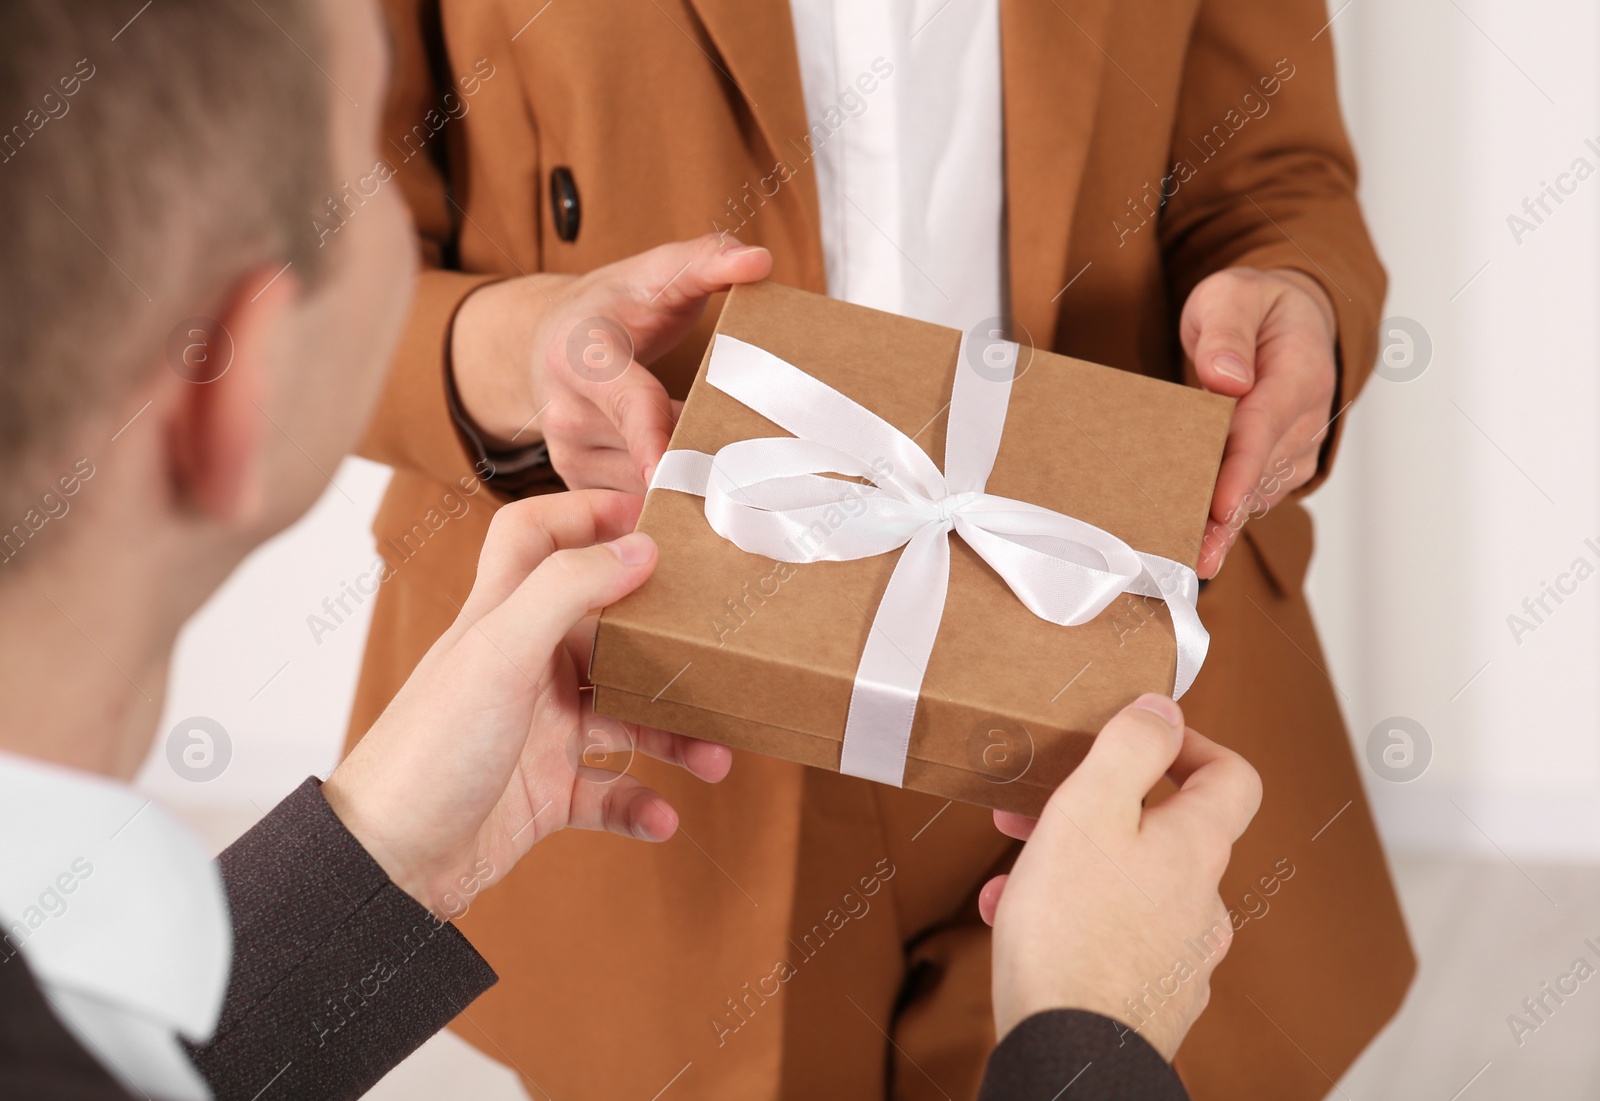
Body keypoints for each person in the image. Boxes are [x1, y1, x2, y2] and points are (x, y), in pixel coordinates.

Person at [0, 2, 1258, 1099]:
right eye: (363, 193)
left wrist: (376, 859)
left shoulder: (73, 1012)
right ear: (240, 376)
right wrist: (1090, 1051)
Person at [349, 1, 1413, 1097]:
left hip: (1103, 645)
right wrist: (525, 345)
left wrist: (1301, 301)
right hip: (642, 674)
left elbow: (1274, 179)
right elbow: (300, 257)